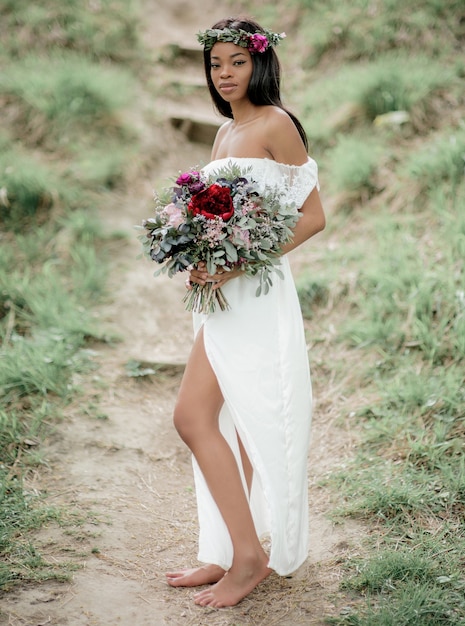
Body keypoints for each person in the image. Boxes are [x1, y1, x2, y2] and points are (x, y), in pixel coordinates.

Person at [165, 16, 326, 608]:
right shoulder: (223, 134)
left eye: (236, 61)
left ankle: (250, 558)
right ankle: (228, 552)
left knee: (194, 416)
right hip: (221, 295)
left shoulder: (276, 124)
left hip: (254, 293)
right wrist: (195, 250)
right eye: (215, 64)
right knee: (218, 417)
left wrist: (235, 264)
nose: (225, 74)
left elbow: (312, 216)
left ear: (260, 63)